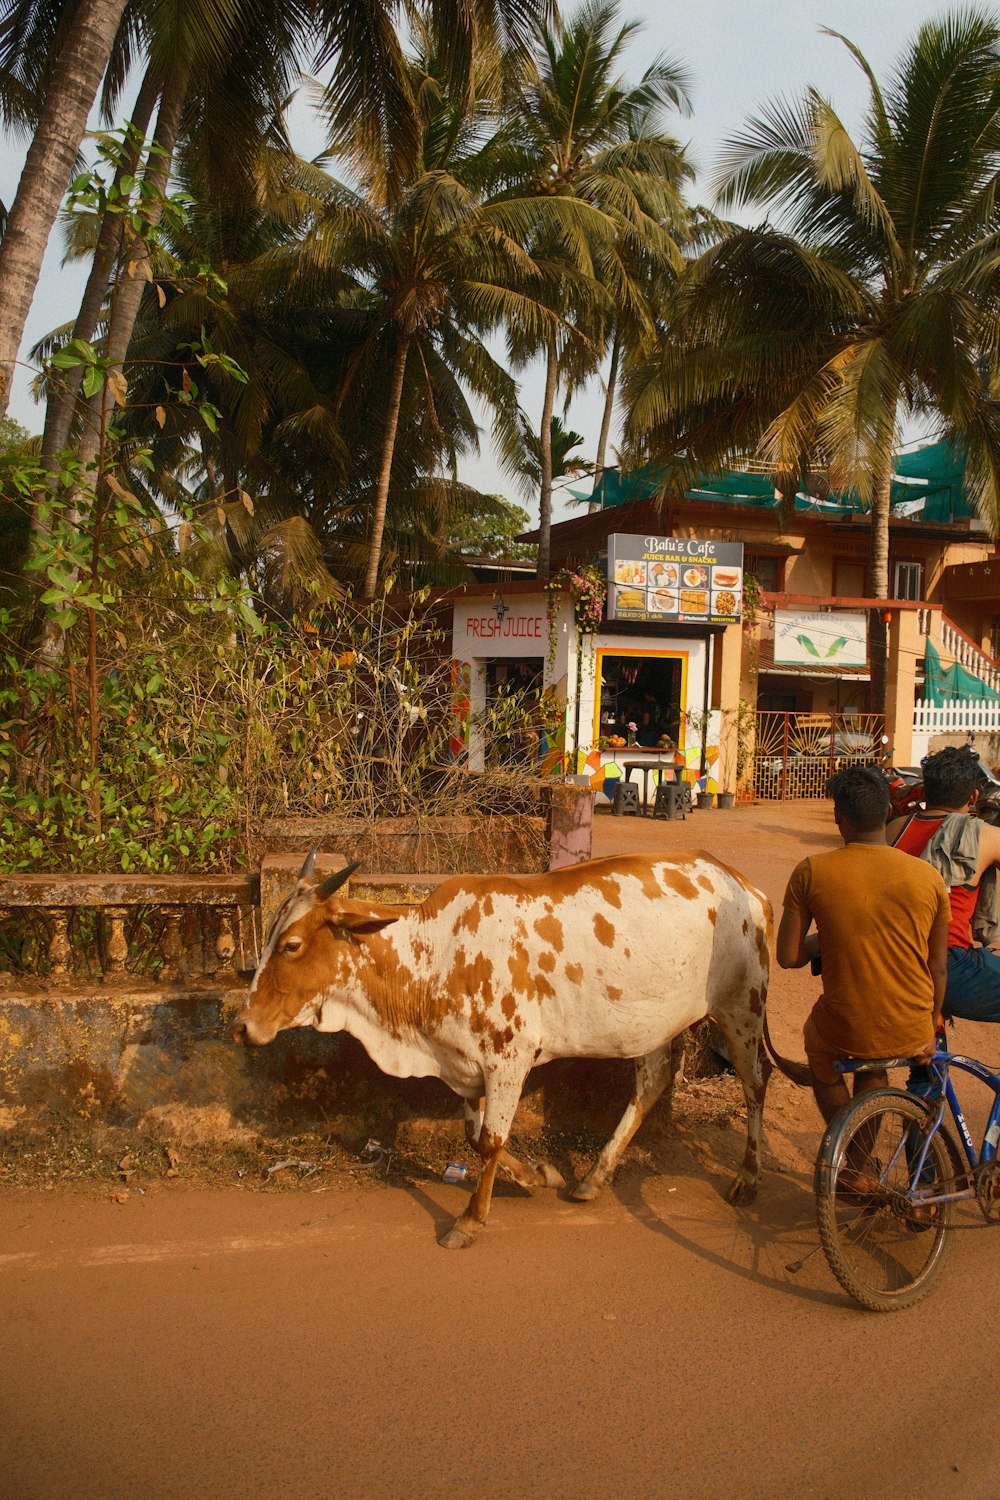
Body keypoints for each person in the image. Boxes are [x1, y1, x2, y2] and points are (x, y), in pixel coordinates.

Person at [776, 765, 950, 1126]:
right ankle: (857, 1164)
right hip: (913, 1027)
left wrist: (828, 936)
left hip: (845, 1025)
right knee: (873, 1065)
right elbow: (938, 966)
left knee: (819, 1047)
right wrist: (930, 1026)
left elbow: (789, 957)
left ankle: (851, 1157)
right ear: (889, 811)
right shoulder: (928, 876)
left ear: (838, 816)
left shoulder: (811, 871)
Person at [887, 744, 1000, 1023]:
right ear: (974, 796)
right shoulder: (986, 835)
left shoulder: (893, 830)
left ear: (924, 792)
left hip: (891, 958)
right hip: (950, 967)